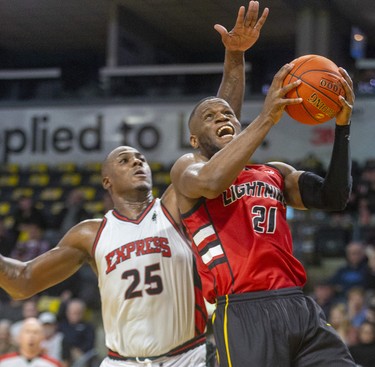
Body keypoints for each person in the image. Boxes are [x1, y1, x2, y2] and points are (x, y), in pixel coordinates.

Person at [0, 3, 269, 366]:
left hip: (185, 357)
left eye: (141, 158)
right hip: (120, 361)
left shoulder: (176, 205)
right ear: (107, 181)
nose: (138, 162)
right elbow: (24, 280)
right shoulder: (89, 234)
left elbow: (218, 132)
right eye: (125, 160)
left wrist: (234, 56)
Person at [170, 54, 356, 365]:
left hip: (298, 305)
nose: (222, 117)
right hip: (244, 309)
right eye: (210, 116)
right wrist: (267, 117)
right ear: (194, 138)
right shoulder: (189, 168)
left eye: (228, 113)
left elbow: (333, 197)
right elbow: (213, 181)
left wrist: (343, 126)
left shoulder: (274, 172)